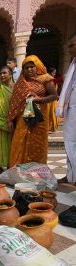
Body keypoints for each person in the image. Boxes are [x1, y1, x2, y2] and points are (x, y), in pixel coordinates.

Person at [8, 55, 58, 167]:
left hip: (40, 118)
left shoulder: (45, 78)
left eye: (32, 67)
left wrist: (39, 99)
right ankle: (18, 168)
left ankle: (37, 169)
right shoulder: (21, 82)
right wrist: (10, 119)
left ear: (38, 67)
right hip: (23, 117)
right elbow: (14, 102)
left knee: (37, 143)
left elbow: (54, 96)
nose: (29, 69)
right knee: (20, 140)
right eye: (26, 68)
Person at [57, 33, 76, 185]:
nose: (69, 49)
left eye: (72, 45)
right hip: (72, 110)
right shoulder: (73, 65)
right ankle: (71, 176)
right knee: (70, 143)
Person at [46, 67, 60, 132]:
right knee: (48, 113)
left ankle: (52, 127)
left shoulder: (53, 80)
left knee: (54, 113)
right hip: (49, 99)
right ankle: (48, 127)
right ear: (50, 72)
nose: (54, 74)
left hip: (54, 100)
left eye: (55, 73)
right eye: (53, 73)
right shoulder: (48, 80)